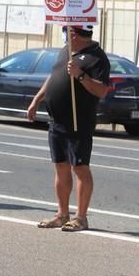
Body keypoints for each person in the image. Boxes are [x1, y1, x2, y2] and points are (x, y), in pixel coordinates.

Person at [27, 25, 110, 232]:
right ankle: (62, 214)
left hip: (78, 122)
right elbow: (53, 76)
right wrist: (37, 100)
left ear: (74, 34)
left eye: (67, 30)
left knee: (80, 168)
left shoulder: (97, 57)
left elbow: (102, 91)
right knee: (60, 165)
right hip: (57, 121)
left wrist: (80, 76)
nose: (65, 34)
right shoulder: (67, 50)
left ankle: (81, 217)